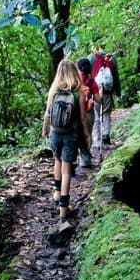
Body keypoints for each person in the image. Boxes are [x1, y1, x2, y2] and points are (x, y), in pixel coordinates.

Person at [42, 59, 91, 220]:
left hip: (55, 133)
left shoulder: (54, 90)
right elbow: (83, 118)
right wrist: (87, 135)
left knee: (57, 160)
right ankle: (64, 208)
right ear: (74, 72)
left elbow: (47, 113)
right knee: (67, 169)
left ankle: (56, 193)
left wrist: (45, 129)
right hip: (72, 134)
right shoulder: (79, 92)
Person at [88, 46, 121, 147]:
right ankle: (106, 135)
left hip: (95, 91)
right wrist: (118, 92)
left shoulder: (91, 57)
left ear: (97, 46)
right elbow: (115, 76)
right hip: (107, 92)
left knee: (96, 116)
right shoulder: (112, 58)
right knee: (106, 114)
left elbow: (87, 74)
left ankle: (96, 141)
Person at [76, 57, 102, 168]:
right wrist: (100, 91)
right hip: (88, 112)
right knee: (87, 135)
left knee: (76, 135)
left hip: (76, 112)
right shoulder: (92, 82)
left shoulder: (74, 81)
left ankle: (73, 160)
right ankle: (85, 160)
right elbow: (98, 100)